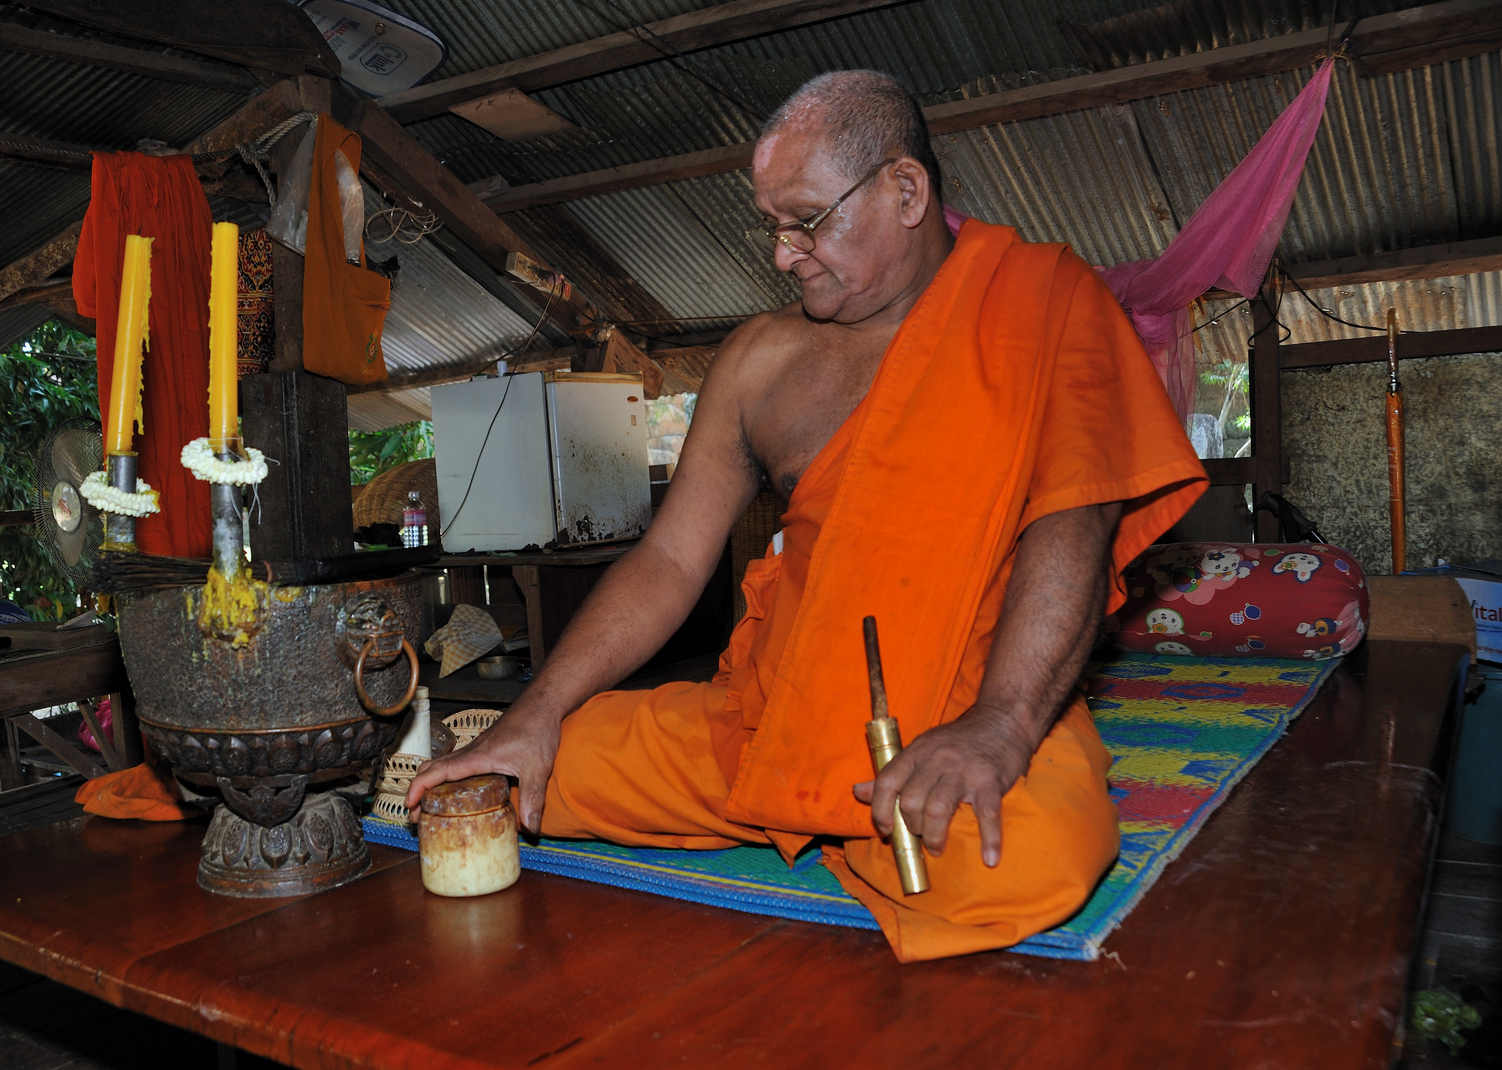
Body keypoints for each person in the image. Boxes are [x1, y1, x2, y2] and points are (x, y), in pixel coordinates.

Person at [410, 71, 1206, 961]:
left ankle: (826, 820)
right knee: (541, 775)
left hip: (969, 700)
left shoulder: (1045, 302)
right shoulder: (760, 358)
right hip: (778, 714)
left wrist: (1005, 726)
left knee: (1030, 857)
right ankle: (834, 823)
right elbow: (672, 559)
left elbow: (1073, 527)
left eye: (808, 220)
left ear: (905, 190)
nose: (784, 254)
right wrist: (539, 708)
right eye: (771, 227)